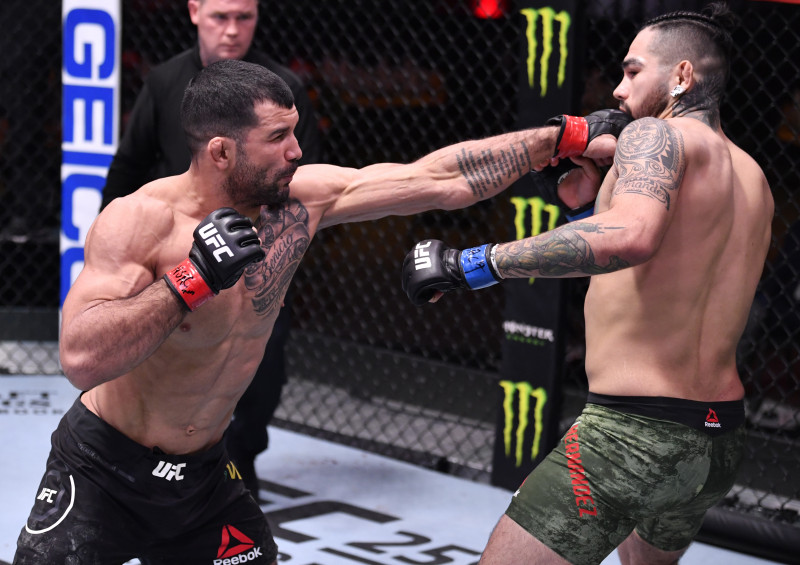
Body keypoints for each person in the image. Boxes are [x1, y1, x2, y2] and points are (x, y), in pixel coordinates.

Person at [14, 58, 624, 563]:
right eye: (277, 138)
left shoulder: (302, 202)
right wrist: (189, 280)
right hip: (104, 470)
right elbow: (81, 357)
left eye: (295, 131)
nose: (296, 150)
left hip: (202, 477)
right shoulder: (140, 221)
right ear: (222, 151)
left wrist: (562, 137)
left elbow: (440, 178)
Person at [401, 4, 774, 564]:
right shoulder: (753, 176)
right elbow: (674, 266)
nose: (619, 90)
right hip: (717, 437)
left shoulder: (654, 134)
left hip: (633, 432)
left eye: (632, 71)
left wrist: (471, 263)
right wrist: (587, 207)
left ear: (682, 76)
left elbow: (631, 236)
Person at [101, 0, 322, 498]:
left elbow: (305, 180)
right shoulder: (166, 81)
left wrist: (277, 254)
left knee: (261, 366)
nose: (232, 30)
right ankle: (157, 460)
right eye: (221, 17)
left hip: (257, 255)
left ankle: (240, 460)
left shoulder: (281, 89)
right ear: (195, 12)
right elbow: (129, 165)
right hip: (175, 258)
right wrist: (114, 244)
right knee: (160, 360)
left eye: (244, 17)